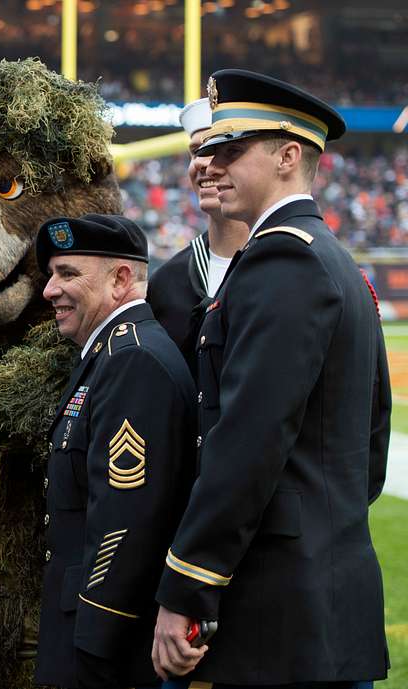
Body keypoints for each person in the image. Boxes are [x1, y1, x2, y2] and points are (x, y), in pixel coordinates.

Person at [152, 69, 390, 686]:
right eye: (206, 149)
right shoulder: (330, 260)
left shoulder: (280, 258)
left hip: (279, 614)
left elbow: (247, 442)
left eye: (231, 150)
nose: (209, 162)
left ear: (288, 156)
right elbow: (371, 445)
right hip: (318, 601)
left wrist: (189, 582)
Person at [33, 214, 196, 688]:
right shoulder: (110, 354)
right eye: (51, 275)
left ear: (121, 279)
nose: (50, 290)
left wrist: (97, 634)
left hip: (102, 639)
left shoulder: (133, 360)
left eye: (67, 274)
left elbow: (127, 519)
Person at [146, 98, 248, 369]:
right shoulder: (166, 283)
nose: (204, 162)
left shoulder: (290, 266)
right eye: (196, 151)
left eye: (225, 149)